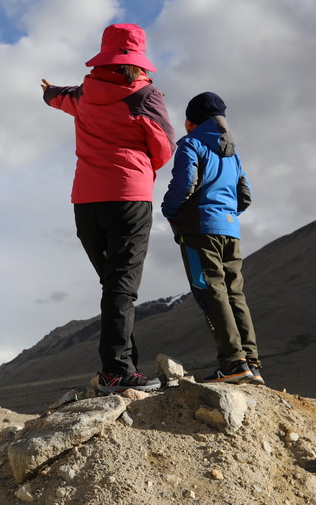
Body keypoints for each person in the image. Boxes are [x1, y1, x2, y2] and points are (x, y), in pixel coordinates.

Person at [42, 23, 175, 393]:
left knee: (113, 285)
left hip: (86, 202)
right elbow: (165, 147)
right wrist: (141, 167)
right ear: (138, 59)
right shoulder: (146, 96)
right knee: (121, 287)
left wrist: (48, 91)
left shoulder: (84, 94)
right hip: (128, 200)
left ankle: (123, 365)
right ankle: (115, 371)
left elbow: (57, 97)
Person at [160, 91, 263, 384]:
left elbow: (185, 183)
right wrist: (226, 214)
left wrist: (169, 211)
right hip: (230, 230)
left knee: (211, 291)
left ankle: (233, 363)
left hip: (199, 230)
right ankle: (251, 362)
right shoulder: (233, 153)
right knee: (235, 293)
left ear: (190, 121)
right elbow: (245, 195)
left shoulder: (191, 144)